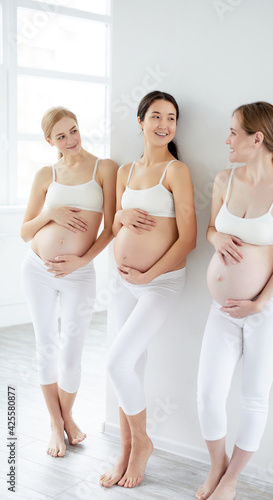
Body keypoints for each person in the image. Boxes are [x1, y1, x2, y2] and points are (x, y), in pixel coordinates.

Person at [196, 102, 273, 500]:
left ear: (256, 139)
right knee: (208, 394)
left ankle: (232, 480)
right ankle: (217, 468)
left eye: (233, 132)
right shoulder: (224, 179)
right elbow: (210, 229)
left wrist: (258, 304)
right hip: (222, 311)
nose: (226, 139)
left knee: (253, 397)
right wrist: (216, 238)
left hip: (266, 312)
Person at [100, 91, 197, 489]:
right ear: (139, 121)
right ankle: (125, 449)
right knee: (130, 368)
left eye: (171, 118)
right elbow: (112, 228)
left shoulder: (176, 171)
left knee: (115, 363)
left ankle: (142, 444)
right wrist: (121, 214)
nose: (163, 125)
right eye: (155, 116)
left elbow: (188, 240)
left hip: (160, 284)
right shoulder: (125, 172)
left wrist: (147, 275)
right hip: (123, 284)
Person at [21, 106, 118, 458]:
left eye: (73, 130)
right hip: (37, 270)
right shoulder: (46, 174)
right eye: (61, 136)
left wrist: (82, 260)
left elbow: (111, 227)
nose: (71, 139)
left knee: (72, 349)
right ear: (50, 141)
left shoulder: (104, 168)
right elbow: (25, 231)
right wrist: (50, 212)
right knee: (46, 344)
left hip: (79, 272)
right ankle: (56, 424)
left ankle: (67, 416)